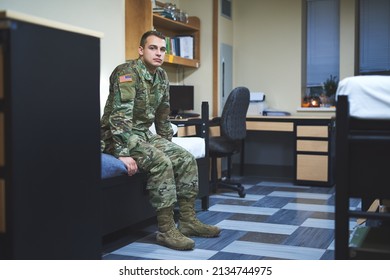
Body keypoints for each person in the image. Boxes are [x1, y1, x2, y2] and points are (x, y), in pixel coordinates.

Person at [100, 30, 221, 250]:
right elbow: (120, 117)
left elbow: (163, 116)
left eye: (162, 49)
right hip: (117, 135)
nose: (158, 53)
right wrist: (123, 153)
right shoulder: (126, 73)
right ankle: (166, 230)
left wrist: (167, 144)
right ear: (141, 50)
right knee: (160, 161)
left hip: (143, 134)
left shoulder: (162, 76)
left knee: (184, 158)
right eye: (152, 48)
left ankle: (187, 221)